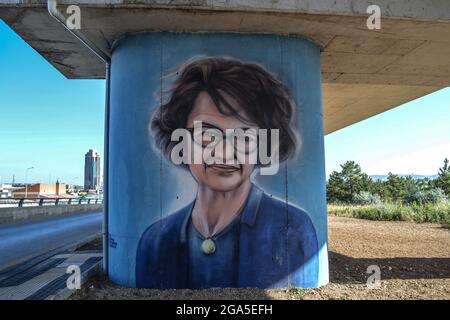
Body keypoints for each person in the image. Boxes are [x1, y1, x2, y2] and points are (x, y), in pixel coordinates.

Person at [136, 57, 319, 289]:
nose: (224, 152)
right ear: (180, 140)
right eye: (207, 134)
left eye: (245, 137)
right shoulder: (154, 241)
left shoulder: (293, 231)